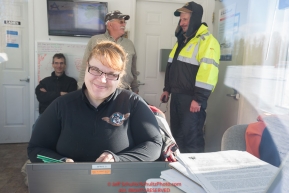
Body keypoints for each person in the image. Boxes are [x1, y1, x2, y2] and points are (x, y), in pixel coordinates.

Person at [28, 41, 162, 163]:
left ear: (120, 76)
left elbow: (154, 144)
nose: (102, 80)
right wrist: (60, 162)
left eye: (111, 74)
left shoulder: (133, 103)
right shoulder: (61, 105)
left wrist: (119, 160)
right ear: (86, 67)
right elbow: (36, 149)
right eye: (96, 70)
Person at [160, 1, 220, 153]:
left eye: (185, 19)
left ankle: (195, 174)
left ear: (195, 18)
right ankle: (178, 171)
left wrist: (199, 99)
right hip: (177, 97)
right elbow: (171, 66)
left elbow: (208, 73)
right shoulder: (182, 40)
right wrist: (167, 89)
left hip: (192, 100)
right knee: (176, 136)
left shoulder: (207, 41)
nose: (182, 23)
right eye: (181, 20)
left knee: (192, 138)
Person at [77, 10, 139, 93]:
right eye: (121, 22)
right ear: (110, 24)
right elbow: (85, 66)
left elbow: (133, 70)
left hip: (124, 92)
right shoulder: (95, 40)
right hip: (100, 90)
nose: (124, 24)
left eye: (124, 22)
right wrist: (81, 89)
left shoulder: (129, 44)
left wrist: (135, 88)